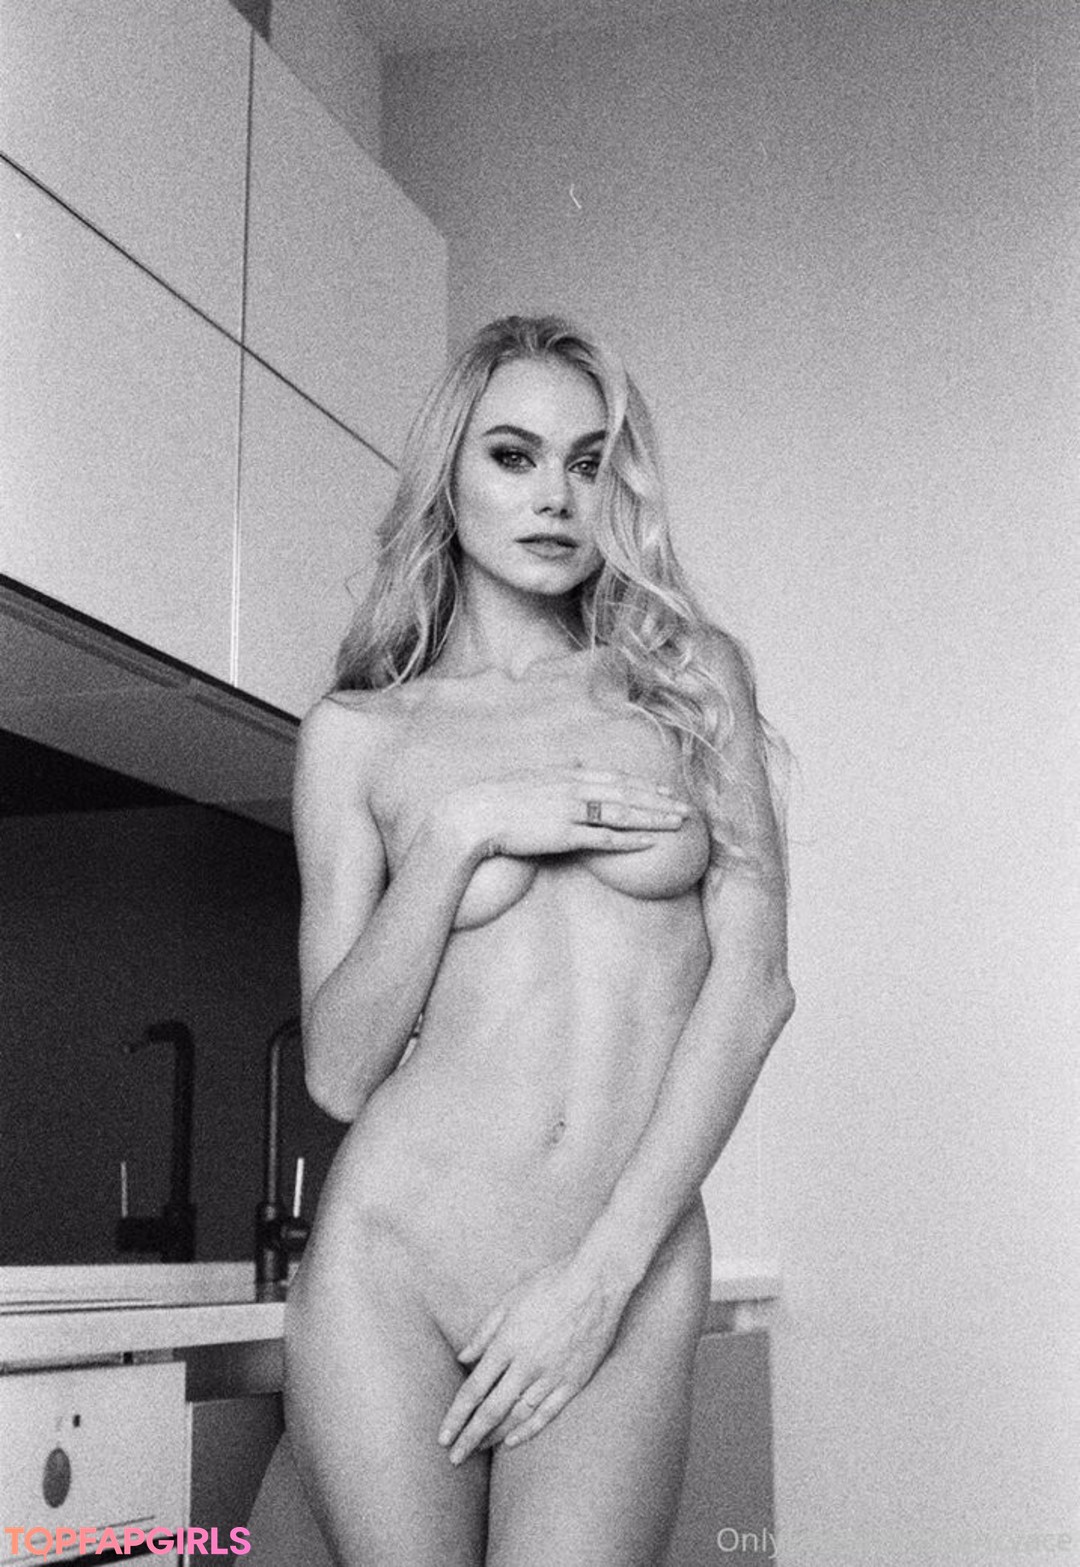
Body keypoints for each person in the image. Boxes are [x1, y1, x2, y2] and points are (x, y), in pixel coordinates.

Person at [280, 314, 793, 1567]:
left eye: (588, 461)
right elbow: (339, 1070)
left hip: (618, 1254)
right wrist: (460, 836)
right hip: (394, 1258)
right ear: (449, 475)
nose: (555, 496)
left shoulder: (687, 685)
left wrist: (602, 1277)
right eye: (513, 456)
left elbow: (756, 986)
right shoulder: (360, 736)